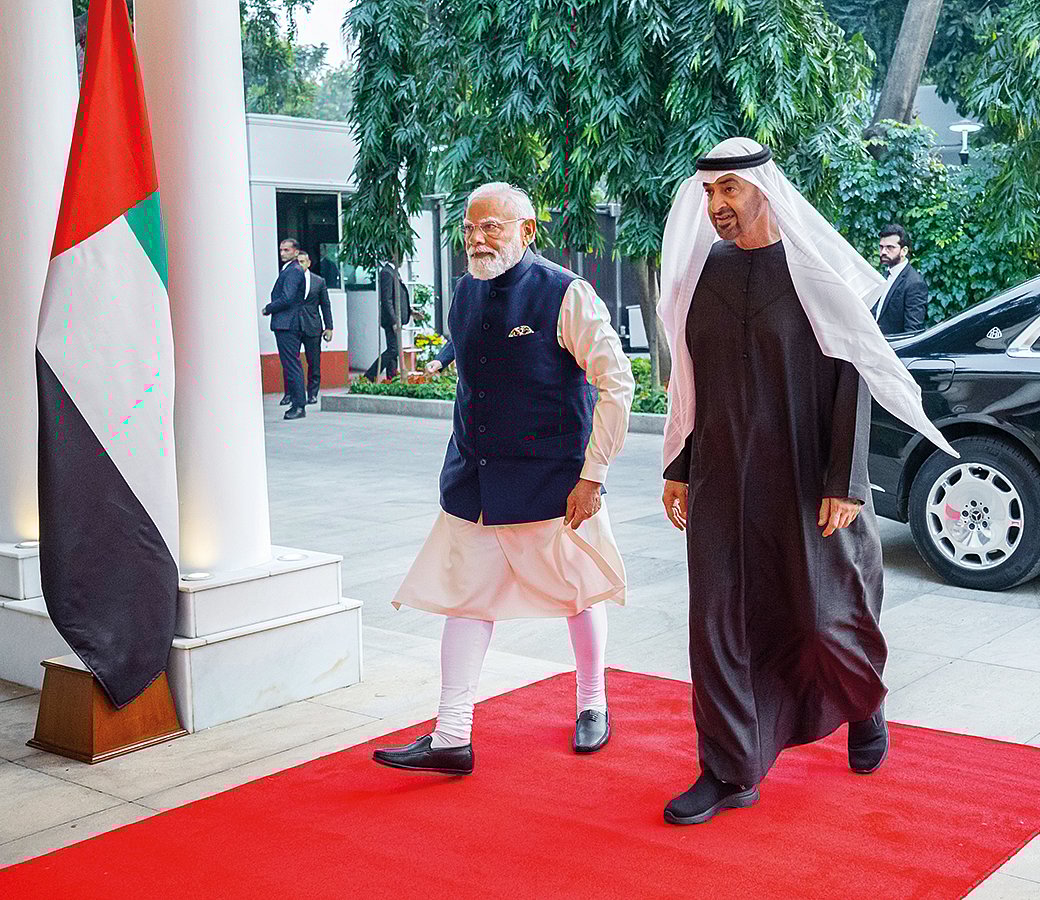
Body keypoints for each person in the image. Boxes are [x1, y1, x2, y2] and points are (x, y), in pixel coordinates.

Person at [657, 138, 956, 825]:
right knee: (717, 622)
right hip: (722, 475)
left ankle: (864, 704)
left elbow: (855, 376)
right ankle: (729, 770)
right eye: (708, 194)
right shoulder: (702, 273)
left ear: (764, 189)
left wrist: (846, 481)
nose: (717, 206)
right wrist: (679, 464)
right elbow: (691, 380)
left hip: (808, 476)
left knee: (824, 618)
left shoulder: (816, 271)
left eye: (729, 191)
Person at [373, 182, 634, 775]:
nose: (478, 238)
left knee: (578, 590)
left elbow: (615, 382)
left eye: (493, 226)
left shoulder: (567, 294)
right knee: (466, 600)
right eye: (470, 228)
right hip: (474, 477)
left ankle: (592, 702)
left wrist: (594, 475)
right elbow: (467, 352)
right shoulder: (465, 288)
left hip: (554, 481)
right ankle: (451, 737)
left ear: (527, 230)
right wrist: (435, 363)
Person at [262, 237, 308, 420]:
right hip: (286, 323)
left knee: (292, 364)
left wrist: (269, 308)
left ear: (296, 252)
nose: (282, 253)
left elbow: (287, 298)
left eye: (287, 250)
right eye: (281, 250)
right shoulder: (290, 270)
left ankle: (298, 405)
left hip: (288, 324)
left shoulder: (294, 271)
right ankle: (297, 403)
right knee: (290, 364)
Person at [874, 224, 928, 335]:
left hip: (893, 349)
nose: (883, 252)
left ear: (904, 251)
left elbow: (912, 332)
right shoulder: (885, 275)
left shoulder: (915, 283)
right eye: (881, 247)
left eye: (890, 247)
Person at [363, 258, 411, 381]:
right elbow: (387, 299)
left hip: (396, 318)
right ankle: (370, 375)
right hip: (391, 320)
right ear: (394, 257)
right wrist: (394, 321)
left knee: (393, 351)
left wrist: (411, 312)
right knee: (393, 349)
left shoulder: (393, 272)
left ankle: (391, 377)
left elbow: (398, 297)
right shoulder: (387, 272)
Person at [296, 251, 334, 404]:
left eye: (302, 261)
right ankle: (291, 393)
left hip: (313, 325)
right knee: (292, 361)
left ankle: (312, 393)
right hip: (294, 325)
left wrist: (329, 326)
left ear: (309, 263)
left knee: (314, 361)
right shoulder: (290, 280)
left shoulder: (319, 281)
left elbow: (325, 305)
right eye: (297, 262)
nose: (300, 265)